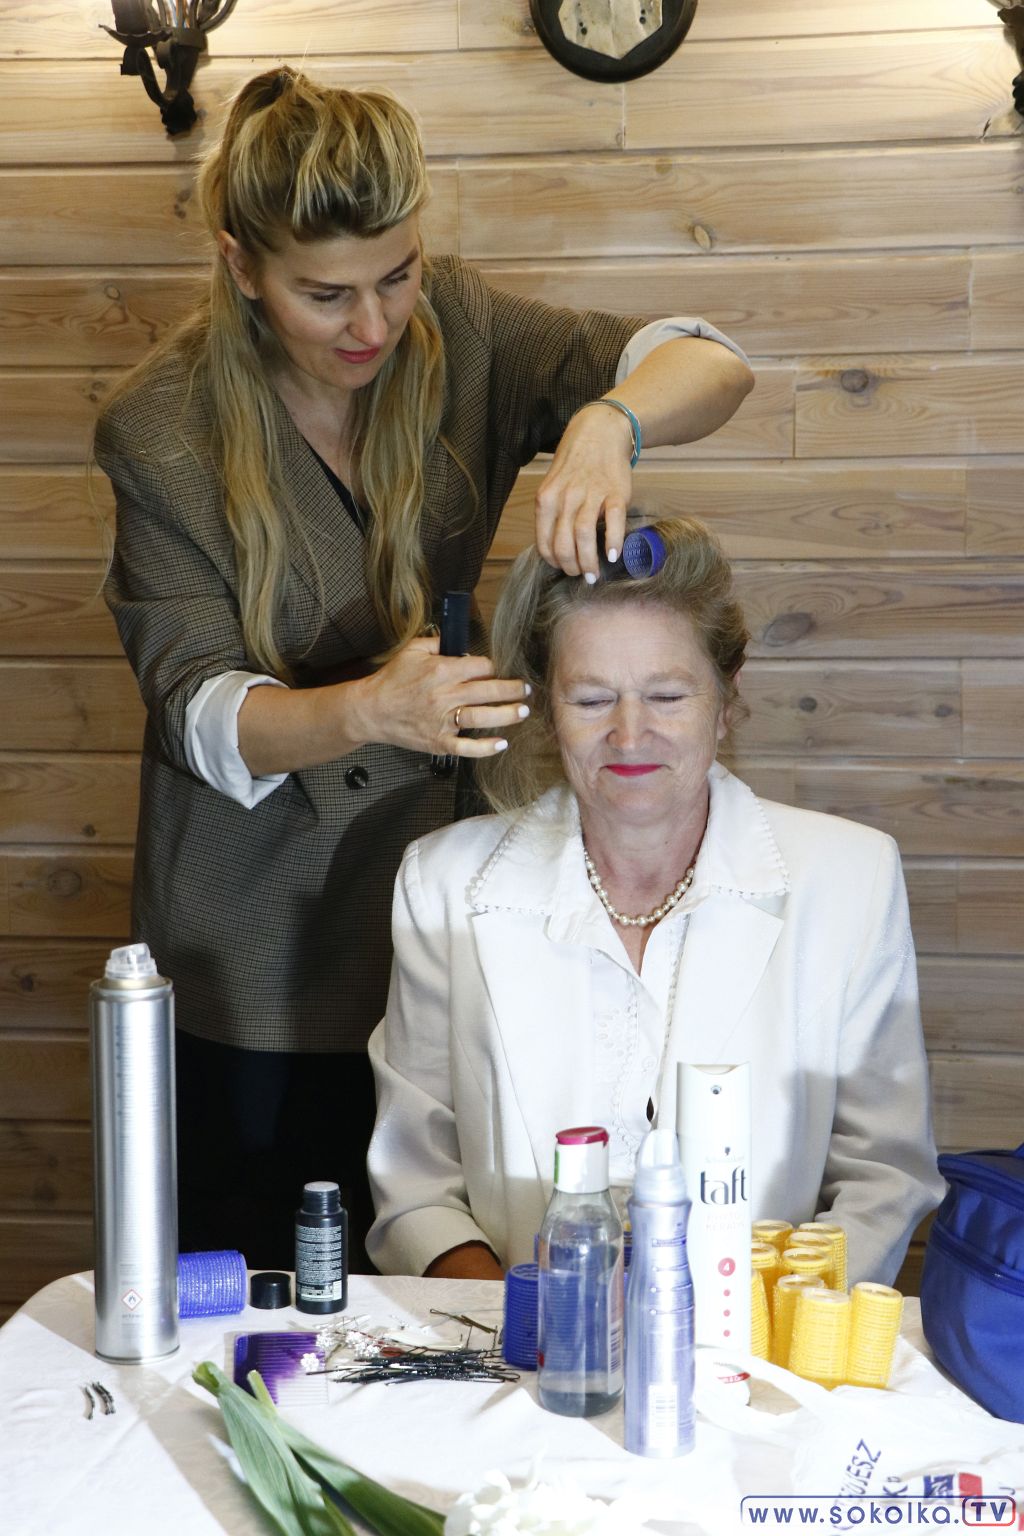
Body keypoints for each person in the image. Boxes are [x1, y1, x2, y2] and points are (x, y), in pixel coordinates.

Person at [93, 67, 754, 1269]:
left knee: (441, 1262)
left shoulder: (460, 327)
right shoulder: (161, 426)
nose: (372, 325)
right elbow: (198, 709)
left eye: (394, 275)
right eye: (324, 294)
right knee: (269, 1289)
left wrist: (607, 423)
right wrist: (367, 708)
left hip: (448, 896)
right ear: (242, 266)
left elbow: (706, 360)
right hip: (256, 936)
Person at [366, 515, 945, 1287]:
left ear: (726, 699)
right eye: (591, 698)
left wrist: (755, 1326)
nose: (630, 733)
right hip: (516, 1340)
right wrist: (519, 1321)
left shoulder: (850, 878)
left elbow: (885, 1176)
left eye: (668, 695)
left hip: (760, 1341)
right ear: (547, 709)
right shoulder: (442, 883)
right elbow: (415, 1183)